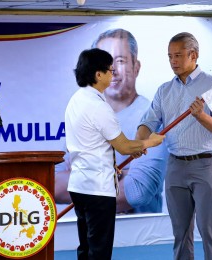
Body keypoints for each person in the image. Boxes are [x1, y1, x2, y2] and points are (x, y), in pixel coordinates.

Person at [55, 28, 168, 213]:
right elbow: (54, 183)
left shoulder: (152, 117)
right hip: (98, 203)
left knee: (89, 240)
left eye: (120, 61)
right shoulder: (90, 106)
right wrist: (120, 173)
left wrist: (84, 175)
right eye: (107, 66)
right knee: (97, 242)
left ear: (136, 67)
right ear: (97, 73)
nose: (113, 70)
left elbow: (137, 192)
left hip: (134, 228)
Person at [66, 48, 165, 259]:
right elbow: (124, 147)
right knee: (99, 250)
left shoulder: (76, 99)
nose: (113, 75)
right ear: (98, 74)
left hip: (80, 185)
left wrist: (111, 163)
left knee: (86, 247)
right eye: (110, 70)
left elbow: (90, 145)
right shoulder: (98, 107)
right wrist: (151, 141)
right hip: (97, 189)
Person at [136, 32, 212, 260]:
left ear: (193, 55)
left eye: (178, 55)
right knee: (181, 232)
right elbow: (148, 122)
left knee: (209, 230)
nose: (173, 61)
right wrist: (138, 143)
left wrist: (201, 116)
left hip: (207, 164)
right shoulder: (164, 90)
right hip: (176, 165)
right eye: (169, 57)